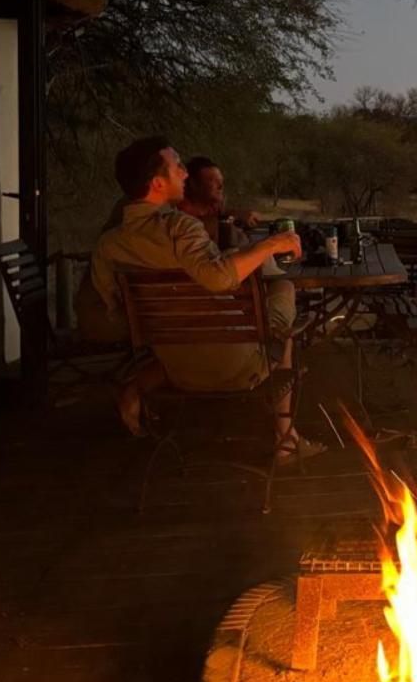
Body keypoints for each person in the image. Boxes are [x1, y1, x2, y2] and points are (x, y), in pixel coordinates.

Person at [86, 135, 322, 463]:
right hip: (236, 367)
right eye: (177, 167)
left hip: (174, 367)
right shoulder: (181, 229)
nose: (185, 173)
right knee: (283, 291)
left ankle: (138, 385)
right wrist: (271, 245)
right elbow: (218, 277)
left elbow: (115, 309)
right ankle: (286, 438)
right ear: (157, 183)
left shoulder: (109, 245)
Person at [177, 156, 267, 234]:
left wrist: (239, 214)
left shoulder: (212, 206)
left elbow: (222, 215)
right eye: (212, 181)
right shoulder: (180, 212)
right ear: (194, 184)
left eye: (221, 181)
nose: (221, 186)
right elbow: (198, 226)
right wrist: (232, 218)